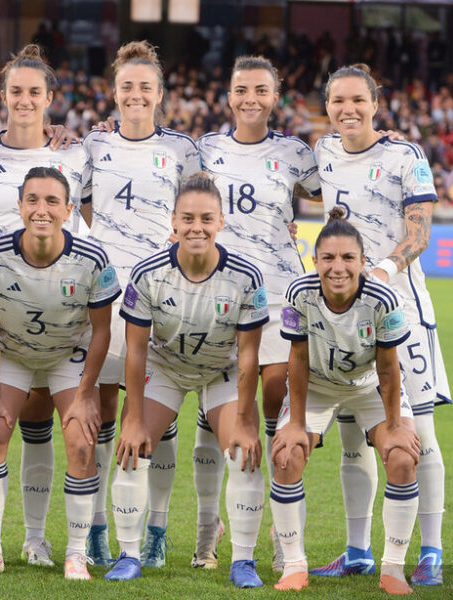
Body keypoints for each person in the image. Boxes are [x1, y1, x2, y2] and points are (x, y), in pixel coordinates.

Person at [312, 64, 450, 586]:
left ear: (376, 104)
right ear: (327, 106)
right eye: (337, 101)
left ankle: (431, 551)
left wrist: (383, 270)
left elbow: (420, 234)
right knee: (353, 437)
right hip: (345, 317)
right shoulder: (323, 152)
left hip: (402, 313)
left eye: (357, 101)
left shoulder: (404, 155)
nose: (347, 110)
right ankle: (357, 550)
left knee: (420, 436)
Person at [0, 44, 88, 567]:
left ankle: (39, 540)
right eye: (16, 91)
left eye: (36, 92)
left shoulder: (76, 154)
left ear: (51, 98)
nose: (25, 100)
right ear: (3, 96)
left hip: (62, 321)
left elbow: (92, 219)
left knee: (49, 429)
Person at [104, 173, 269, 587]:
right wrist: (134, 417)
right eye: (188, 219)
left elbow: (249, 354)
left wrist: (247, 418)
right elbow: (137, 350)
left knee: (245, 455)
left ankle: (243, 561)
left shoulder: (246, 276)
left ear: (221, 222)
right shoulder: (147, 274)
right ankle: (129, 554)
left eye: (206, 219)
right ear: (173, 222)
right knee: (133, 448)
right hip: (165, 369)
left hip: (221, 370)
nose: (197, 227)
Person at [196, 55, 321, 570]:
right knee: (217, 418)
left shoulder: (295, 152)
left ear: (276, 95)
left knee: (273, 409)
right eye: (241, 89)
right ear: (228, 95)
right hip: (215, 294)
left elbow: (338, 195)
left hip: (278, 296)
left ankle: (278, 528)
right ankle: (210, 528)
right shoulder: (204, 149)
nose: (251, 98)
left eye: (261, 90)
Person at [81, 40, 201, 567]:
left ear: (159, 94)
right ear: (114, 92)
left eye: (144, 87)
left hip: (164, 300)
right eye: (126, 86)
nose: (135, 94)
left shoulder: (182, 150)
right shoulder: (91, 145)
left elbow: (198, 214)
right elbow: (82, 206)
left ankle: (155, 529)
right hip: (106, 299)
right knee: (104, 412)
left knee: (159, 419)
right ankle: (97, 528)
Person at [0, 167, 119, 580]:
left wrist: (88, 393)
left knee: (81, 441)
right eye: (33, 200)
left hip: (66, 355)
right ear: (19, 207)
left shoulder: (92, 258)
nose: (42, 209)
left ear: (69, 210)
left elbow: (102, 330)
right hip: (14, 354)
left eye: (52, 201)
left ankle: (75, 553)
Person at [270, 207, 420, 595]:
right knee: (286, 455)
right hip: (318, 385)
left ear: (363, 262)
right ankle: (294, 565)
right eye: (329, 258)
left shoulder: (384, 299)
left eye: (348, 258)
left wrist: (395, 424)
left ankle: (393, 568)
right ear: (315, 260)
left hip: (370, 386)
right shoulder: (299, 293)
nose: (338, 267)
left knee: (403, 457)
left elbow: (389, 370)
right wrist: (297, 423)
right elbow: (298, 360)